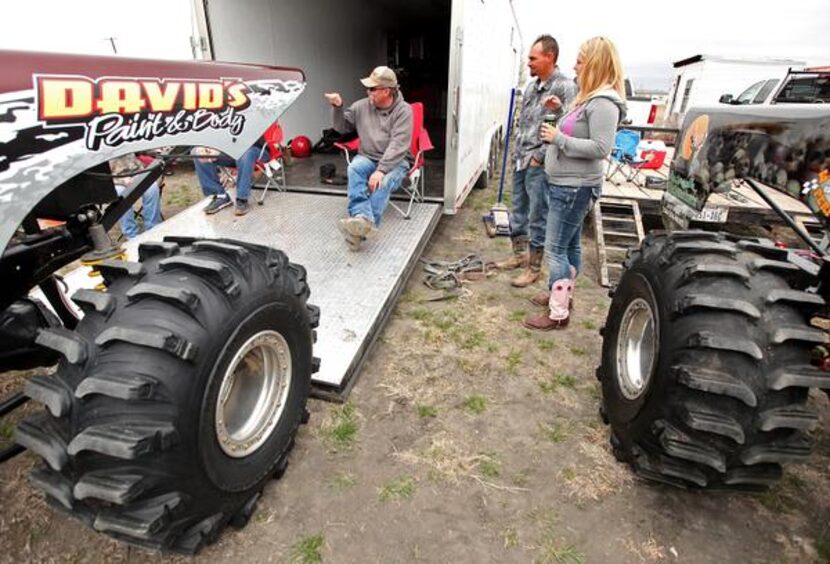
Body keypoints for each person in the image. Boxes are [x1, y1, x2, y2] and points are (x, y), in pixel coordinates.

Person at [524, 36, 627, 330]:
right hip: (567, 184)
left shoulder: (604, 103)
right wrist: (558, 112)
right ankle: (562, 293)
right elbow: (579, 129)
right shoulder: (588, 98)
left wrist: (559, 139)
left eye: (580, 61)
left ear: (595, 64)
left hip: (574, 187)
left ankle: (558, 313)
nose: (575, 66)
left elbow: (600, 148)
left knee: (556, 248)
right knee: (570, 246)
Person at [496, 34, 577, 288]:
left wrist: (538, 158)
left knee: (537, 215)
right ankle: (519, 255)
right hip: (521, 158)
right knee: (518, 210)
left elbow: (565, 126)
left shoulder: (564, 87)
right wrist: (516, 154)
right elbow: (524, 123)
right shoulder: (532, 87)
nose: (528, 63)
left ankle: (534, 268)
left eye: (533, 58)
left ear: (549, 57)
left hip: (539, 163)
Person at [324, 66, 413, 251]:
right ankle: (363, 219)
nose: (368, 91)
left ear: (387, 91)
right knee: (354, 168)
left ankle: (360, 228)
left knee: (383, 181)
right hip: (368, 156)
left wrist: (381, 171)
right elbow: (341, 128)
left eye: (372, 88)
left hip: (396, 162)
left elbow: (398, 145)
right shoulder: (360, 106)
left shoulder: (404, 111)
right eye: (368, 88)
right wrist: (337, 107)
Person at [194, 141, 262, 216]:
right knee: (198, 152)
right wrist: (212, 148)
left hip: (256, 148)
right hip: (229, 152)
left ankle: (242, 198)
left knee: (245, 153)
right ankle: (220, 195)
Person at [110, 154, 162, 240]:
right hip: (113, 179)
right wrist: (121, 180)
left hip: (136, 172)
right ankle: (131, 234)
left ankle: (153, 227)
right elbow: (100, 176)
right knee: (121, 194)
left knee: (152, 187)